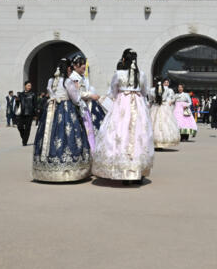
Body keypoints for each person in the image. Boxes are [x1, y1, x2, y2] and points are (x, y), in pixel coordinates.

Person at [91, 49, 154, 183]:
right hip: (137, 105)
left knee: (119, 134)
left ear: (124, 60)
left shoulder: (118, 74)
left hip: (121, 105)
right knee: (139, 135)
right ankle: (138, 171)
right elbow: (144, 92)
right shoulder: (141, 74)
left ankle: (122, 171)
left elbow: (113, 92)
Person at [33, 57, 91, 182]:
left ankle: (45, 167)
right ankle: (70, 169)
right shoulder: (67, 81)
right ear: (68, 68)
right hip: (66, 109)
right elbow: (75, 99)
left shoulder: (51, 80)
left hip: (51, 110)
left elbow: (51, 93)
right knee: (68, 136)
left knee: (48, 136)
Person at [68, 52, 101, 154]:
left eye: (84, 63)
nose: (84, 66)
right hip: (77, 108)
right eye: (81, 64)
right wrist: (91, 95)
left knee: (88, 130)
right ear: (74, 66)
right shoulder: (73, 78)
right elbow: (77, 93)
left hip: (84, 106)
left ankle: (90, 152)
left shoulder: (81, 77)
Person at [150, 78, 180, 150]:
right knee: (165, 124)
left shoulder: (152, 90)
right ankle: (162, 142)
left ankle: (155, 142)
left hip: (156, 106)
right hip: (164, 106)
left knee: (154, 124)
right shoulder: (167, 90)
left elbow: (151, 99)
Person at [16, 81, 37, 145]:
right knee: (19, 127)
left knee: (27, 128)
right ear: (25, 86)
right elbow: (18, 105)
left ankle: (24, 141)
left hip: (29, 113)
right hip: (22, 113)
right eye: (28, 85)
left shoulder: (33, 94)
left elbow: (35, 105)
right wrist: (17, 101)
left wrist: (35, 114)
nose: (29, 87)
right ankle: (24, 137)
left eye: (30, 86)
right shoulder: (21, 94)